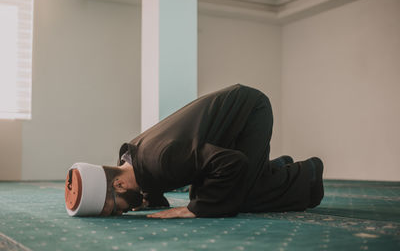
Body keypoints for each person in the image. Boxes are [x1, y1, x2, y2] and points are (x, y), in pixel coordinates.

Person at [65, 84, 324, 218]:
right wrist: (147, 197)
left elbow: (232, 163)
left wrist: (195, 210)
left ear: (119, 185)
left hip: (248, 112)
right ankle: (274, 169)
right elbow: (155, 178)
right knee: (205, 192)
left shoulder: (161, 161)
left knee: (236, 198)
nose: (120, 212)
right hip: (230, 121)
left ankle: (308, 175)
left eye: (114, 208)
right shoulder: (132, 162)